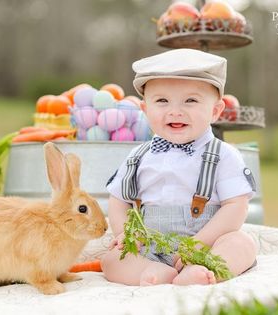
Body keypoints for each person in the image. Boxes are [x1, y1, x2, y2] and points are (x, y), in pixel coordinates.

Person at [101, 48, 257, 286]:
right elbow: (118, 200)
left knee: (242, 244)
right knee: (111, 260)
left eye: (191, 100)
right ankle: (152, 272)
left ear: (215, 110)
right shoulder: (137, 156)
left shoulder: (224, 155)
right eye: (162, 101)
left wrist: (197, 245)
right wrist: (125, 233)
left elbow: (236, 206)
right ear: (145, 110)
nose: (175, 111)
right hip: (150, 247)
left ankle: (202, 272)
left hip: (204, 246)